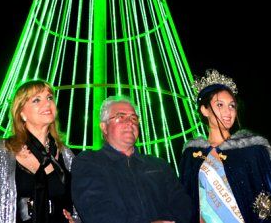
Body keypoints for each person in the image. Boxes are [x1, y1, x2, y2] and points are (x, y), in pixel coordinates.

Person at [178, 69, 271, 223]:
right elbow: (187, 202)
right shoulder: (192, 155)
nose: (228, 112)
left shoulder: (252, 151)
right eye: (220, 105)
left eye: (232, 106)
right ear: (204, 110)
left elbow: (268, 201)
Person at [71, 95, 191, 223]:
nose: (130, 122)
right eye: (120, 117)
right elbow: (96, 210)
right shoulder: (89, 162)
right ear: (104, 127)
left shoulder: (159, 166)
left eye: (134, 118)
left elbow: (183, 206)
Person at [0, 80, 78, 223]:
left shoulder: (65, 154)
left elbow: (82, 202)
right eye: (36, 100)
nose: (47, 103)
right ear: (22, 113)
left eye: (49, 98)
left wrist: (76, 219)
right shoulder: (2, 151)